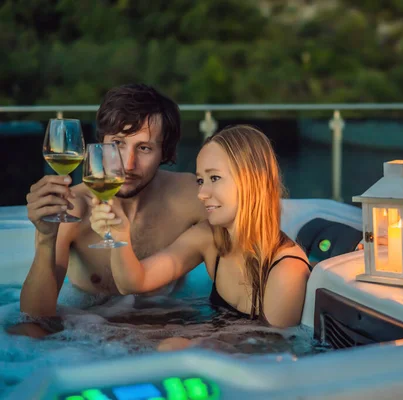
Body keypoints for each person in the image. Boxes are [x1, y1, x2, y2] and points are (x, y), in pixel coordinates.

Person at [89, 125, 311, 349]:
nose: (202, 194)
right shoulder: (210, 237)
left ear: (253, 181)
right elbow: (134, 282)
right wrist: (119, 234)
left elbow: (273, 356)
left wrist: (192, 347)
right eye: (200, 180)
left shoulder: (286, 271)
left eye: (214, 178)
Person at [17, 84, 206, 334]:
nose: (127, 164)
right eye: (117, 144)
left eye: (144, 148)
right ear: (101, 144)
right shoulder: (73, 207)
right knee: (23, 334)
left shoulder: (191, 196)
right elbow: (36, 317)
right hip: (93, 332)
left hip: (171, 325)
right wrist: (44, 237)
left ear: (165, 152)